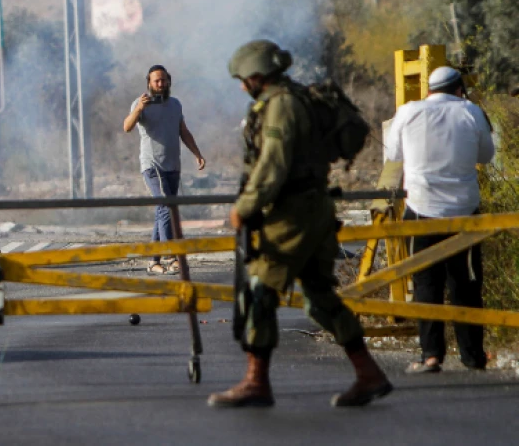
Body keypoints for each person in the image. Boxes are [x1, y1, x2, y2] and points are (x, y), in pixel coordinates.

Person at [209, 40, 392, 409]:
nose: (242, 86)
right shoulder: (296, 98)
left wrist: (244, 207)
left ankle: (256, 381)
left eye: (243, 80)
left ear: (257, 76)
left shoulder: (281, 106)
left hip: (291, 215)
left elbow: (273, 166)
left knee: (259, 291)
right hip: (314, 208)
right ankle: (368, 373)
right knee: (320, 298)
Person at [385, 66, 495, 374]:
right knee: (467, 283)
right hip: (464, 211)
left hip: (420, 209)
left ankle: (431, 356)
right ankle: (473, 356)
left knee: (425, 283)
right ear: (459, 88)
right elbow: (486, 155)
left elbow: (393, 154)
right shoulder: (471, 111)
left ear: (429, 89)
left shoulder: (408, 111)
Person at [123, 65, 206, 275]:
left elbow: (183, 132)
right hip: (152, 165)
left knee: (164, 211)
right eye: (155, 81)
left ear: (169, 81)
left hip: (172, 166)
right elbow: (126, 127)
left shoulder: (175, 104)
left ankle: (153, 261)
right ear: (149, 83)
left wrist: (197, 153)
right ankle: (170, 255)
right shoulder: (141, 103)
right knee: (165, 205)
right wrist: (138, 110)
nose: (160, 84)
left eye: (163, 80)